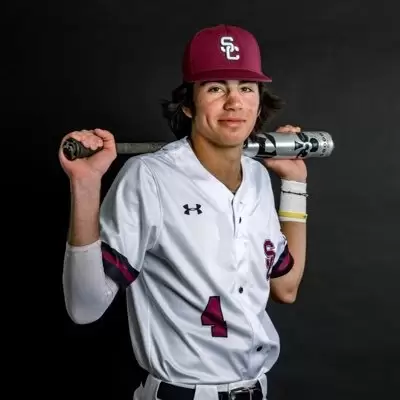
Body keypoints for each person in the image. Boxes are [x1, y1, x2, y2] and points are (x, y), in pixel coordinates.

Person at [60, 24, 308, 400]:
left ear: (260, 102)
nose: (234, 102)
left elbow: (286, 289)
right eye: (215, 88)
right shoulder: (149, 177)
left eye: (246, 87)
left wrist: (294, 185)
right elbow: (84, 307)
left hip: (257, 389)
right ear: (188, 104)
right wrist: (86, 185)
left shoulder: (258, 176)